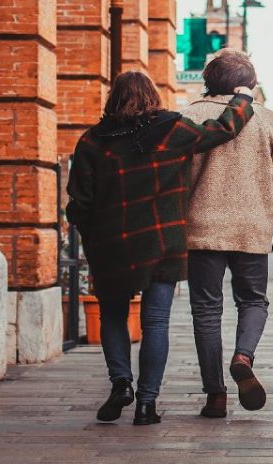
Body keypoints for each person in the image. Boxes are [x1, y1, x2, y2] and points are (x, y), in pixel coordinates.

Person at [67, 71, 255, 426]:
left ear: (114, 98)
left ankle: (121, 382)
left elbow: (79, 201)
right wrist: (243, 98)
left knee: (113, 316)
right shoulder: (171, 130)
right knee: (155, 321)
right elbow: (222, 129)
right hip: (161, 240)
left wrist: (93, 235)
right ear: (152, 95)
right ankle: (146, 404)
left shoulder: (93, 141)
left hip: (111, 244)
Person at [181, 50, 273, 419]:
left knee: (206, 310)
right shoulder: (268, 120)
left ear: (208, 81)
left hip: (200, 227)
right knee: (253, 301)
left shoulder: (187, 117)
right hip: (252, 227)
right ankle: (243, 356)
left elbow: (173, 179)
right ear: (248, 85)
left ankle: (215, 396)